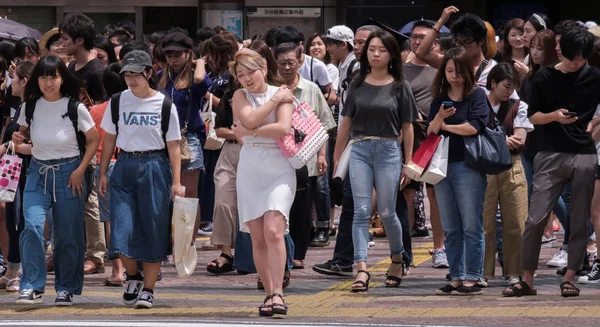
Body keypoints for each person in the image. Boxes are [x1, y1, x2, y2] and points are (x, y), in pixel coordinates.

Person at [504, 28, 600, 298]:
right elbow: (533, 116)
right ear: (560, 51)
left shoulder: (594, 76)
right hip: (550, 153)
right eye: (572, 59)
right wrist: (555, 116)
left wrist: (594, 122)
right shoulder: (544, 76)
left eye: (580, 59)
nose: (576, 64)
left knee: (580, 219)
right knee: (535, 219)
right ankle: (527, 279)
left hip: (584, 153)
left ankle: (570, 277)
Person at [99, 50, 184, 309]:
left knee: (153, 228)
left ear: (149, 73)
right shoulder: (117, 101)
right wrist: (103, 172)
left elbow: (174, 146)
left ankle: (148, 289)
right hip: (124, 165)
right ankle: (133, 275)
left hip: (155, 166)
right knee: (121, 231)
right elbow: (110, 138)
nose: (131, 79)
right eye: (127, 74)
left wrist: (176, 182)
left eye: (137, 73)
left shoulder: (164, 104)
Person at [333, 29, 417, 292]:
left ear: (391, 54)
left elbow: (408, 126)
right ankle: (361, 269)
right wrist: (337, 157)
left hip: (389, 150)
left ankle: (397, 257)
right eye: (371, 49)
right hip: (359, 149)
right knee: (359, 212)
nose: (376, 54)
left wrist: (409, 162)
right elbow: (345, 123)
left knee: (388, 212)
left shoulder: (400, 85)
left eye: (381, 49)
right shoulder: (356, 83)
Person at [14, 55, 100, 305]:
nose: (48, 82)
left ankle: (67, 287)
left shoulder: (75, 107)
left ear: (62, 79)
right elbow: (23, 136)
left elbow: (93, 140)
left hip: (70, 173)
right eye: (43, 77)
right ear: (36, 80)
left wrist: (80, 170)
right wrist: (19, 140)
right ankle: (31, 286)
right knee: (31, 227)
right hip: (37, 173)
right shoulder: (29, 107)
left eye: (53, 77)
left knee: (68, 233)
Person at [230, 48, 295, 316]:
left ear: (264, 68)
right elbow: (250, 117)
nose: (246, 78)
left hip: (280, 167)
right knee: (257, 236)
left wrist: (249, 131)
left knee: (273, 231)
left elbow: (283, 129)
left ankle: (279, 292)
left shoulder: (284, 93)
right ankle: (269, 293)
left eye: (251, 71)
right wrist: (263, 114)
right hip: (250, 168)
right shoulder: (239, 95)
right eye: (240, 74)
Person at [312, 24, 378, 277]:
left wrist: (342, 147)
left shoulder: (356, 67)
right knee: (355, 203)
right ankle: (346, 258)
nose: (327, 47)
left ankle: (346, 259)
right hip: (351, 141)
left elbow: (351, 112)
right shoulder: (346, 66)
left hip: (358, 143)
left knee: (358, 203)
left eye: (331, 42)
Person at [426, 47, 490, 296]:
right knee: (450, 225)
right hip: (441, 166)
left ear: (467, 71)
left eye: (458, 71)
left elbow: (474, 127)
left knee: (471, 224)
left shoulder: (476, 95)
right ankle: (456, 274)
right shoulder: (439, 98)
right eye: (449, 70)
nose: (453, 76)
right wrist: (440, 118)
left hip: (468, 165)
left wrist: (445, 126)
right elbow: (431, 132)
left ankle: (473, 275)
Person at [275, 42, 336, 268]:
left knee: (302, 207)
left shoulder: (311, 89)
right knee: (282, 206)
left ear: (300, 61)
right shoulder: (272, 89)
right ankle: (282, 250)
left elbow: (324, 125)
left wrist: (322, 155)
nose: (287, 67)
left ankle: (298, 253)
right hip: (278, 158)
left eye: (291, 62)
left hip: (306, 158)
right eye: (282, 63)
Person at [59, 12, 108, 276]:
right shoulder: (70, 68)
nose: (62, 43)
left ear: (80, 39)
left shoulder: (97, 71)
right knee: (71, 197)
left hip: (92, 143)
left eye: (66, 38)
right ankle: (69, 251)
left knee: (90, 200)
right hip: (70, 142)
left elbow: (102, 110)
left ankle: (96, 255)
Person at [483, 63, 532, 286]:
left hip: (512, 166)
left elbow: (519, 141)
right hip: (483, 168)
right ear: (493, 83)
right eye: (505, 86)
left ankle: (515, 272)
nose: (509, 91)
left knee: (517, 222)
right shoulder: (478, 102)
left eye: (512, 87)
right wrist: (503, 140)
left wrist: (496, 140)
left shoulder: (519, 106)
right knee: (484, 223)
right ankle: (481, 272)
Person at [402, 20, 446, 269]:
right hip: (407, 136)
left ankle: (440, 247)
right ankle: (404, 251)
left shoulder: (441, 66)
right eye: (414, 36)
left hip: (433, 138)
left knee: (434, 193)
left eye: (423, 36)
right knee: (407, 192)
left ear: (435, 40)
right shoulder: (400, 68)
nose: (417, 41)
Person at [158, 31, 211, 241]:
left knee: (188, 195)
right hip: (163, 140)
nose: (172, 59)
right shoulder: (162, 76)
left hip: (188, 138)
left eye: (177, 55)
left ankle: (187, 245)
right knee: (167, 195)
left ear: (187, 53)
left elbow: (200, 79)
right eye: (168, 55)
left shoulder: (195, 76)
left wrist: (198, 61)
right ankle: (171, 243)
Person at [90, 63, 127, 286]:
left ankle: (117, 271)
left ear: (104, 86)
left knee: (111, 220)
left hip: (103, 165)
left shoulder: (95, 111)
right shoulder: (134, 109)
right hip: (131, 162)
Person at [0, 61, 35, 293]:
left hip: (29, 169)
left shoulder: (33, 108)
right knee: (14, 217)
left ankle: (21, 272)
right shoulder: (21, 106)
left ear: (24, 81)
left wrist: (9, 146)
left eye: (14, 77)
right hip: (15, 169)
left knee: (23, 221)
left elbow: (32, 144)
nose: (10, 81)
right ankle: (12, 269)